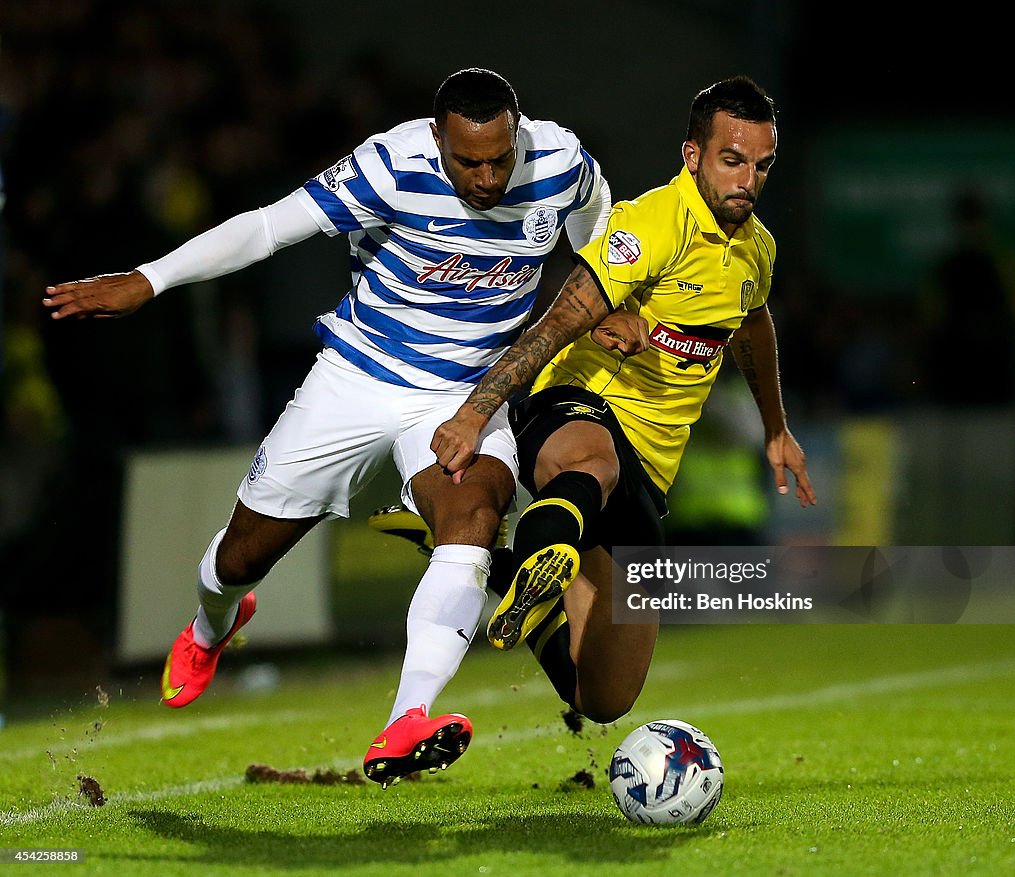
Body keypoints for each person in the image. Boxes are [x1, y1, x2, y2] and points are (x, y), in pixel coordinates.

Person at [42, 68, 613, 788]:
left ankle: (409, 716)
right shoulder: (389, 165)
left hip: (465, 395)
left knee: (472, 517)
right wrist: (149, 279)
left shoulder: (558, 160)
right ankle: (213, 622)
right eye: (469, 161)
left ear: (517, 133)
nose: (488, 175)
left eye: (500, 157)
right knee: (239, 559)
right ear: (437, 139)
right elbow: (268, 227)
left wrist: (605, 296)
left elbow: (599, 219)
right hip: (356, 380)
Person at [428, 75, 816, 723]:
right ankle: (512, 539)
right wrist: (474, 412)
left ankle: (512, 575)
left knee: (602, 697)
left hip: (650, 470)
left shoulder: (757, 252)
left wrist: (777, 427)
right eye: (732, 159)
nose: (747, 178)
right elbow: (554, 324)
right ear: (692, 155)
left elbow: (752, 324)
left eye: (761, 164)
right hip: (575, 410)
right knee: (593, 464)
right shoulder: (649, 225)